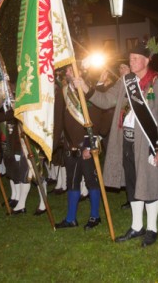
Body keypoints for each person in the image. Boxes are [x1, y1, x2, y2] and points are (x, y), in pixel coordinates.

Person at [75, 39, 158, 247]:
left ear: (147, 60)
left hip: (148, 140)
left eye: (137, 58)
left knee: (150, 184)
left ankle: (152, 228)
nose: (132, 61)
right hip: (126, 139)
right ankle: (137, 226)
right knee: (133, 183)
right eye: (131, 58)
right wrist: (85, 87)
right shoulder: (125, 80)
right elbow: (106, 100)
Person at [54, 65, 103, 230]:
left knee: (91, 181)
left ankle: (95, 216)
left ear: (80, 71)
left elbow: (96, 121)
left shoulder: (89, 91)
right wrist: (53, 144)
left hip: (87, 146)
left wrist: (90, 145)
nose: (67, 73)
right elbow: (58, 120)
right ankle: (70, 219)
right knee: (72, 182)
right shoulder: (64, 93)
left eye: (70, 70)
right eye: (66, 71)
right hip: (70, 146)